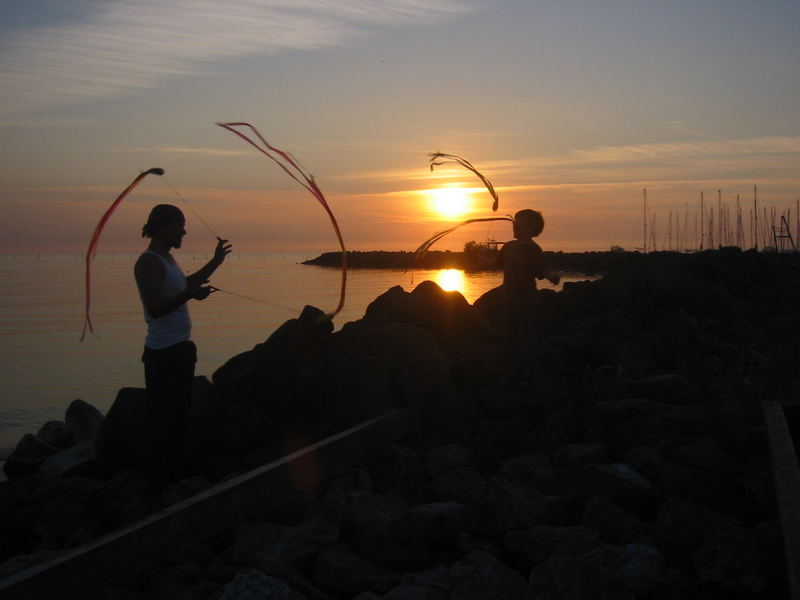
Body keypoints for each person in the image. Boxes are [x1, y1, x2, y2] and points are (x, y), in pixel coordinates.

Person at [134, 204, 231, 484]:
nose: (184, 231)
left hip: (180, 349)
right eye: (180, 225)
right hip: (163, 354)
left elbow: (182, 287)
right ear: (163, 226)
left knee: (178, 414)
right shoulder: (148, 261)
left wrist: (215, 262)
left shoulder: (167, 258)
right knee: (165, 417)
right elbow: (155, 307)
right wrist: (190, 295)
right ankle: (160, 478)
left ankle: (173, 473)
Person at [495, 209, 559, 379]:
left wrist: (551, 275)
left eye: (519, 223)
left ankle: (530, 372)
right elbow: (495, 263)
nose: (514, 225)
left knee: (527, 337)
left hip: (527, 301)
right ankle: (511, 371)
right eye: (514, 222)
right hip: (508, 299)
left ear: (531, 229)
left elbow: (542, 269)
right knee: (510, 336)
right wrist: (479, 261)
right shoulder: (508, 247)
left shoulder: (533, 249)